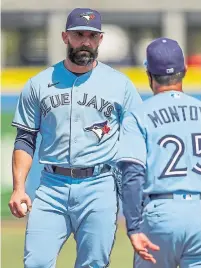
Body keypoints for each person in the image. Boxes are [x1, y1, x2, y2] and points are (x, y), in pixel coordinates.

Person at [8, 7, 142, 268]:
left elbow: (137, 136)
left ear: (100, 39)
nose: (85, 42)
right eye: (79, 34)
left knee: (94, 263)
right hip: (51, 186)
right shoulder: (39, 83)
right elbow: (25, 138)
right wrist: (19, 187)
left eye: (92, 36)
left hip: (99, 185)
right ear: (65, 37)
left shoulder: (120, 84)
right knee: (35, 262)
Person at [116, 37, 201, 268]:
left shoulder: (138, 116)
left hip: (161, 214)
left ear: (148, 74)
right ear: (184, 70)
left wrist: (133, 227)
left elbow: (132, 175)